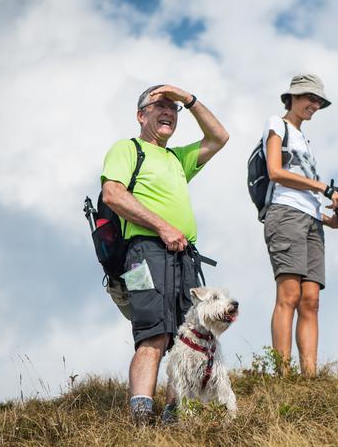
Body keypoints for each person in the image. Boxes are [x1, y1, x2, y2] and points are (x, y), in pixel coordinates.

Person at [100, 84, 229, 424]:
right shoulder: (129, 149)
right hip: (141, 254)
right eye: (159, 105)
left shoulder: (177, 158)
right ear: (141, 115)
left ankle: (175, 414)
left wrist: (189, 98)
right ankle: (142, 418)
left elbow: (219, 137)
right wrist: (162, 226)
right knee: (153, 333)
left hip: (184, 257)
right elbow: (112, 194)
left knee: (186, 339)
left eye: (174, 109)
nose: (168, 111)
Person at [262, 74, 338, 377]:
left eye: (318, 101)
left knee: (311, 300)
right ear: (293, 97)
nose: (315, 104)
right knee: (289, 296)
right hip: (284, 216)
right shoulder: (277, 124)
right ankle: (283, 374)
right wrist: (323, 187)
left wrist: (331, 220)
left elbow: (306, 195)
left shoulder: (305, 141)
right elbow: (275, 171)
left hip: (311, 221)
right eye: (310, 98)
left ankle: (309, 375)